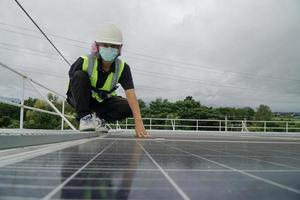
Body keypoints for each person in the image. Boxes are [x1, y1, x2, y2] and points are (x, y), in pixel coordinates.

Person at [67, 23, 149, 138]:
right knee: (79, 75)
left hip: (102, 103)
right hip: (81, 99)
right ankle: (84, 118)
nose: (109, 49)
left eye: (114, 46)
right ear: (96, 46)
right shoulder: (83, 61)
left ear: (120, 49)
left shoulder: (123, 68)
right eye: (105, 45)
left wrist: (138, 122)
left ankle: (100, 119)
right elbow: (74, 81)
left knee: (130, 107)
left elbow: (130, 93)